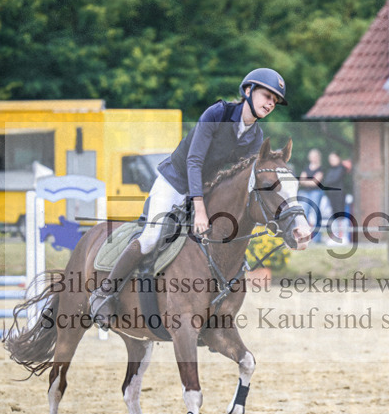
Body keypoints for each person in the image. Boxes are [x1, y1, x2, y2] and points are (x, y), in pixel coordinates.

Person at [87, 68, 288, 328]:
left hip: (206, 189)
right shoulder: (217, 114)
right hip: (176, 181)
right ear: (247, 91)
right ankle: (105, 293)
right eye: (267, 95)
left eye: (275, 100)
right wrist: (200, 209)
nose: (271, 103)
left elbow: (237, 179)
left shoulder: (256, 136)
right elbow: (194, 162)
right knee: (150, 237)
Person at [323, 151, 352, 244]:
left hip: (340, 195)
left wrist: (330, 181)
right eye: (330, 159)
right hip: (332, 195)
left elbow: (335, 179)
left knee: (341, 216)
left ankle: (343, 236)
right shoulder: (331, 170)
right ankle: (335, 236)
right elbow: (326, 181)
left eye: (333, 158)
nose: (332, 161)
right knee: (334, 216)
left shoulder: (342, 168)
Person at [297, 149, 326, 242]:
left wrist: (307, 181)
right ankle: (305, 236)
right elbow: (301, 180)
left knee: (315, 213)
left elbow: (316, 183)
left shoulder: (321, 168)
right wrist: (310, 181)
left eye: (315, 156)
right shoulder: (306, 167)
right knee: (304, 214)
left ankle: (317, 238)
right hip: (306, 192)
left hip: (316, 193)